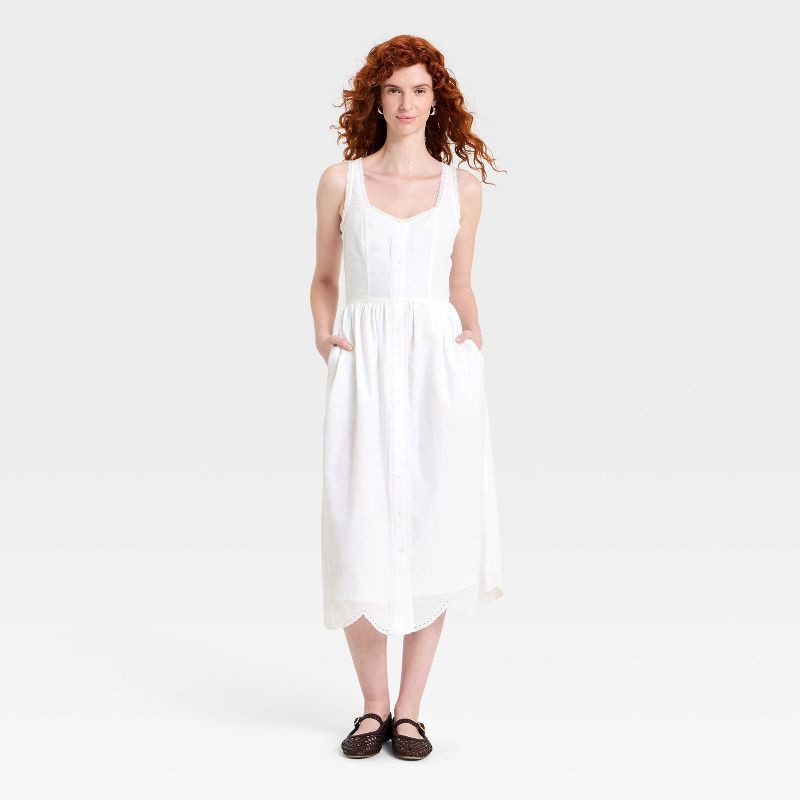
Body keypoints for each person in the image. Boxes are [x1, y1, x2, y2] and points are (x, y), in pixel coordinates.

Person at [309, 35, 504, 760]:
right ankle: (372, 707)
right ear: (376, 98)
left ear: (435, 98)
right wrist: (324, 335)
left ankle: (411, 711)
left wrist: (473, 336)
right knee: (357, 521)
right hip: (363, 366)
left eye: (419, 89)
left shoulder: (462, 189)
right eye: (393, 89)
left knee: (434, 524)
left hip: (438, 371)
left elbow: (460, 283)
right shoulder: (342, 181)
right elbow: (323, 278)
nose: (406, 103)